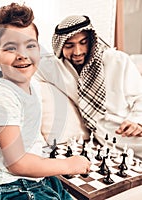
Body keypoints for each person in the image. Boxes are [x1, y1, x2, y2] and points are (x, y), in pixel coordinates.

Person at [0, 3, 91, 199]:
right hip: (11, 186)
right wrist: (68, 164)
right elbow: (17, 163)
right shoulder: (1, 97)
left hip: (37, 179)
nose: (22, 54)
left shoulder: (34, 87)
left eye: (30, 45)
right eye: (11, 48)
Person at [35, 15, 142, 157]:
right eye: (69, 46)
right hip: (105, 139)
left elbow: (139, 96)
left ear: (91, 41)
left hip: (132, 129)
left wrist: (136, 121)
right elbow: (24, 70)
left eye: (83, 42)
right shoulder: (55, 67)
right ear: (60, 47)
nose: (78, 52)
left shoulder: (117, 60)